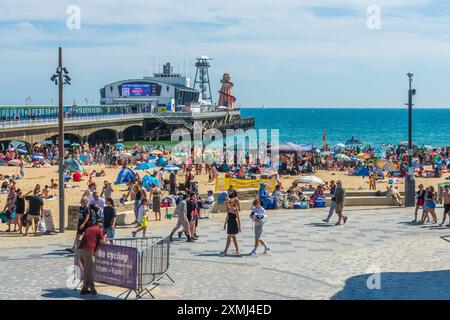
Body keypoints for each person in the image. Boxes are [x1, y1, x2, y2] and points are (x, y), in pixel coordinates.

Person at [77, 219, 107, 295]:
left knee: (87, 271)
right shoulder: (99, 230)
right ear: (101, 226)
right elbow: (101, 242)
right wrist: (105, 238)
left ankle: (90, 288)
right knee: (88, 271)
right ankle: (84, 290)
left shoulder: (88, 228)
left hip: (80, 250)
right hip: (88, 251)